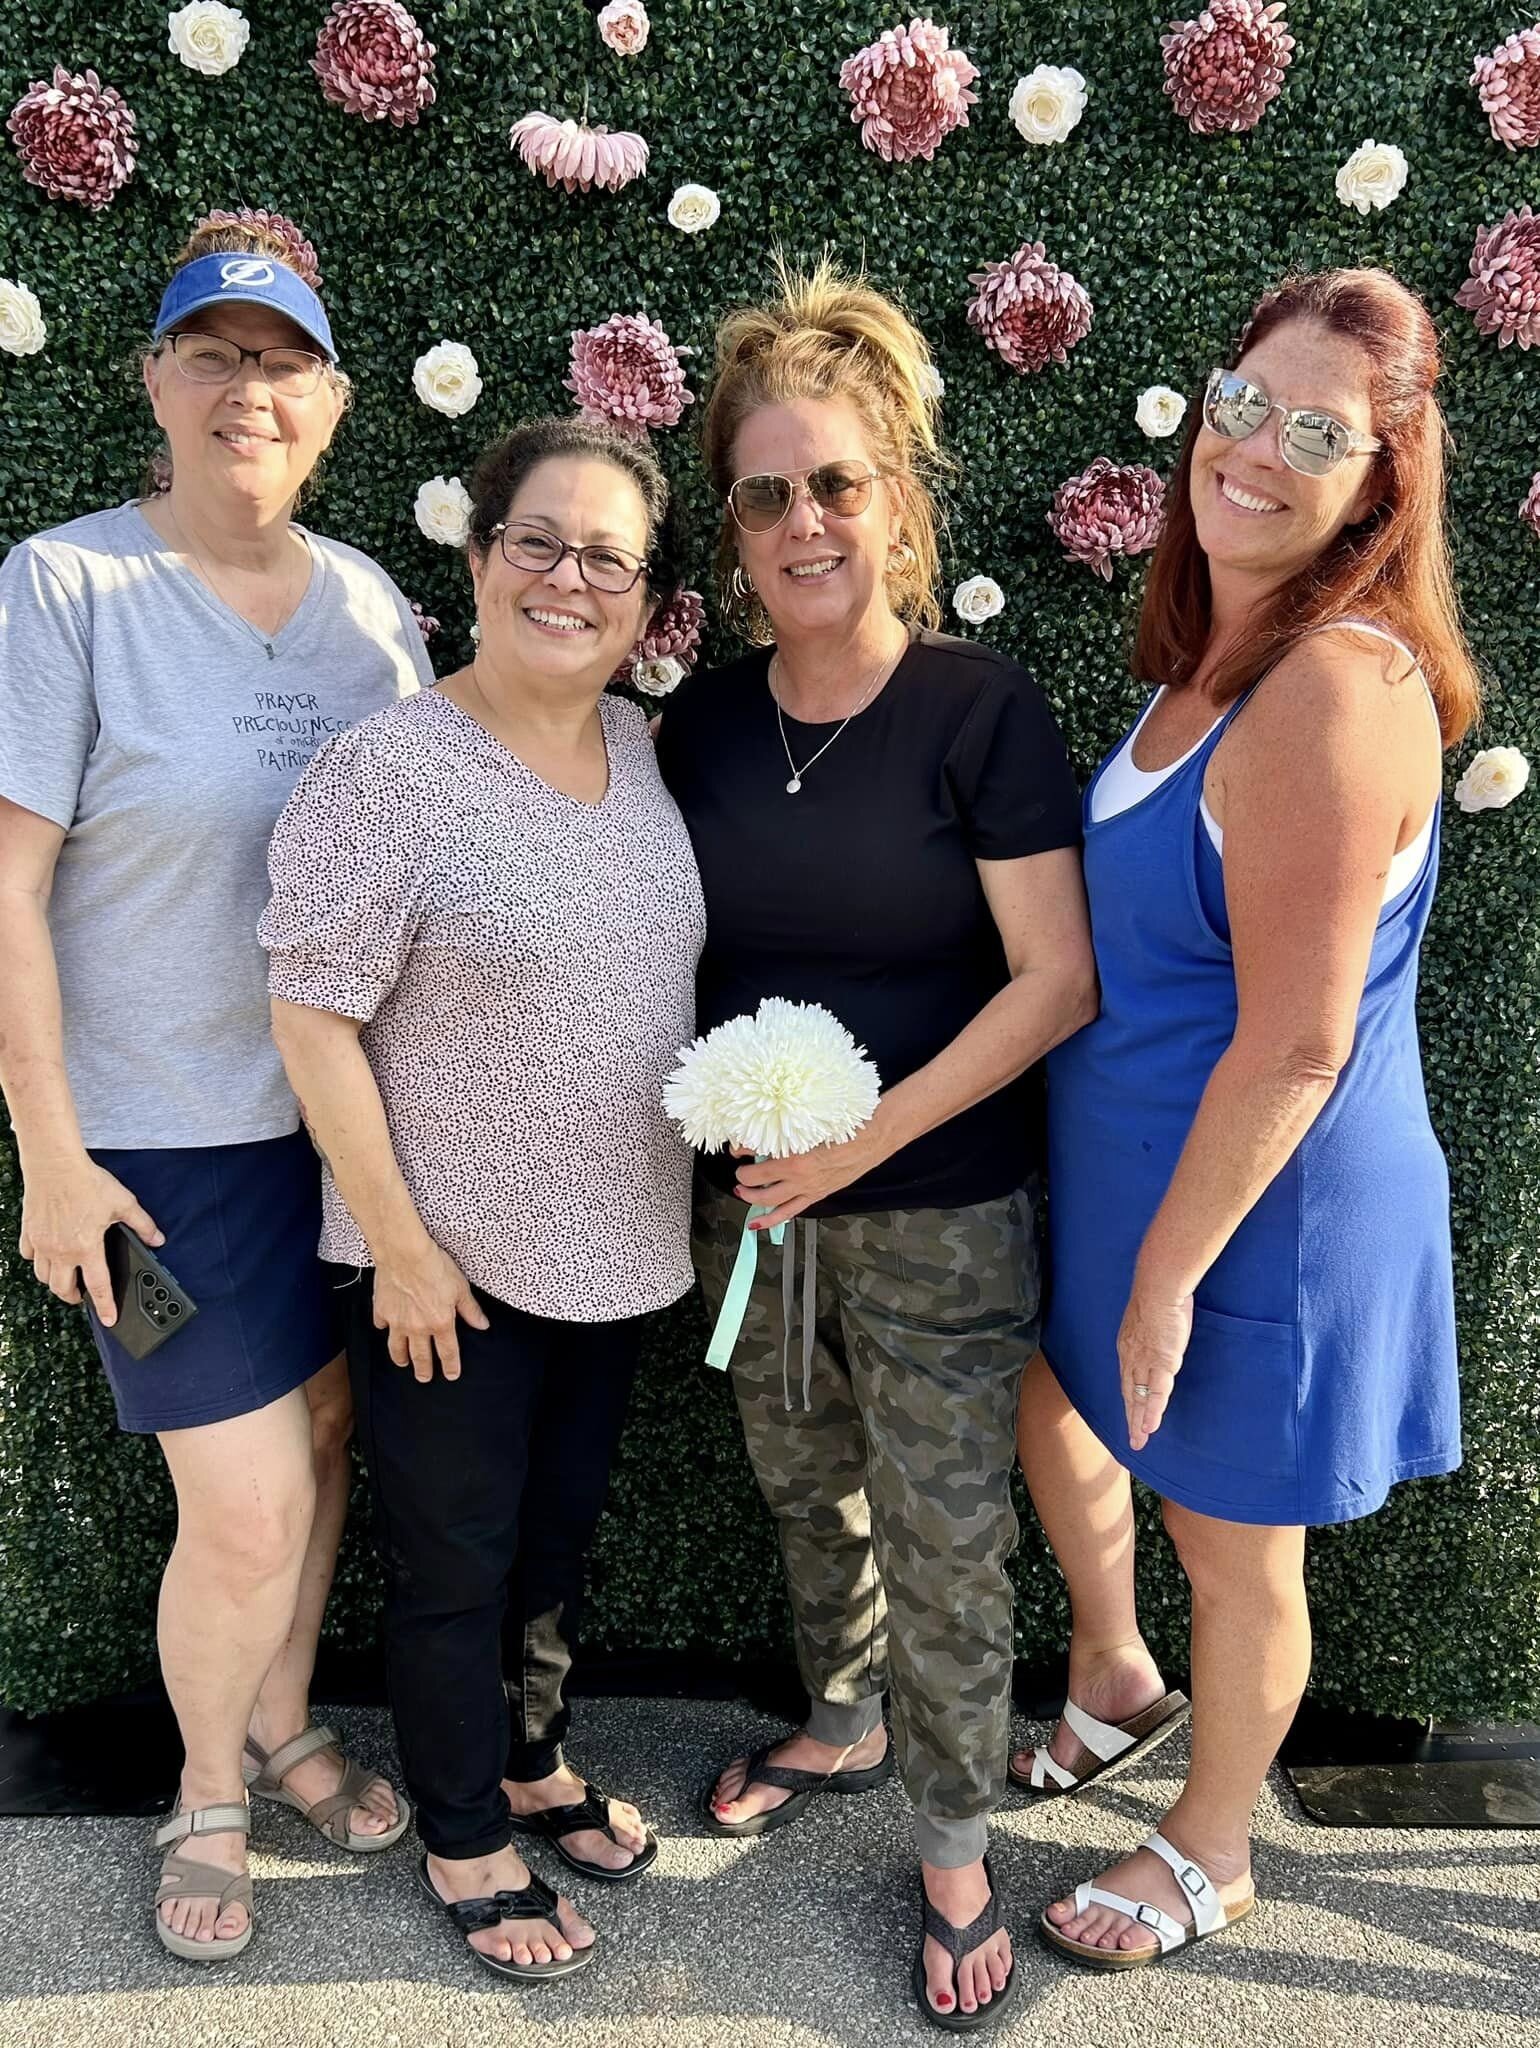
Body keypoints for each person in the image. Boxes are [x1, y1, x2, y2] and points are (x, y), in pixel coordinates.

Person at [654, 258, 1097, 2030]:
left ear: (896, 497)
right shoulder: (692, 726)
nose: (800, 519)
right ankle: (843, 1725)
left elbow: (1053, 983)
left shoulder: (978, 712)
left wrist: (860, 1145)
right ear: (737, 529)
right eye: (764, 492)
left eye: (835, 480)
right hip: (753, 1214)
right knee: (796, 1479)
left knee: (942, 1522)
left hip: (936, 1211)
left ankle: (958, 1846)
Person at [1018, 268, 1479, 1970]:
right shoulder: (1210, 664)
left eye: (1321, 433)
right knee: (1050, 1408)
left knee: (1234, 1544)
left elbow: (1294, 1049)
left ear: (1381, 479)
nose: (1260, 451)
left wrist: (1164, 1277)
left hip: (1252, 1210)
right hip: (1141, 1179)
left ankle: (1218, 1845)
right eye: (1244, 402)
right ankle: (1116, 1676)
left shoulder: (1337, 693)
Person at [0, 220, 426, 1962]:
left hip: (341, 1133)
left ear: (328, 406)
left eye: (282, 362)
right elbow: (7, 893)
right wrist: (48, 1153)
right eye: (213, 354)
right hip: (157, 1150)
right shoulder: (64, 587)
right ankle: (208, 1786)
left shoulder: (373, 613)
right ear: (158, 384)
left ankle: (283, 1712)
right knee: (243, 1499)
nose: (248, 389)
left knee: (323, 1446)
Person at [260, 418, 705, 1983]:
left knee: (554, 1545)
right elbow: (310, 1013)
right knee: (454, 1562)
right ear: (477, 559)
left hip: (615, 1250)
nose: (566, 578)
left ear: (645, 605)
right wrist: (396, 1245)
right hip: (440, 1262)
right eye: (539, 541)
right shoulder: (390, 768)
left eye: (607, 557)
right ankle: (464, 1834)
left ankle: (532, 1762)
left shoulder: (647, 752)